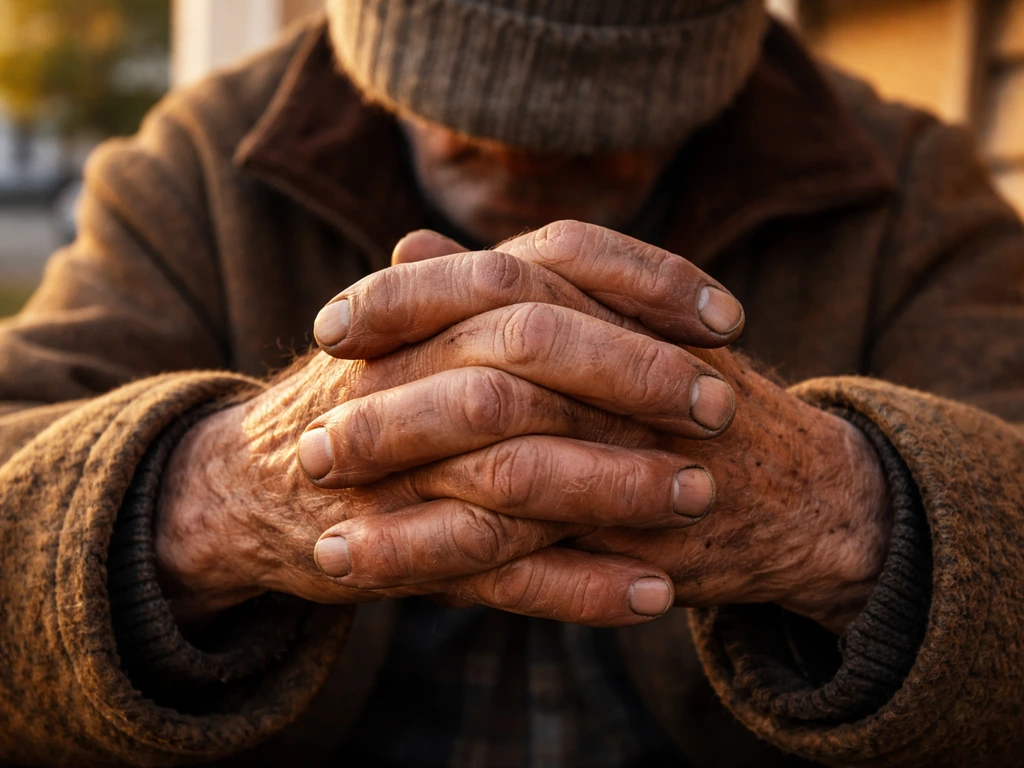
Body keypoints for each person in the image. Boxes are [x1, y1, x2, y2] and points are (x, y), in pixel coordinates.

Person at [1, 0, 1022, 765]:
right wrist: (205, 496)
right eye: (455, 108)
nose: (520, 162)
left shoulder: (910, 185)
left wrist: (839, 507)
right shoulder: (199, 164)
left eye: (605, 127)